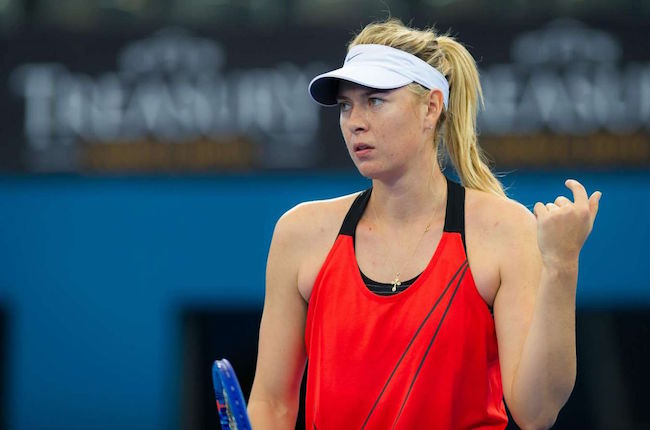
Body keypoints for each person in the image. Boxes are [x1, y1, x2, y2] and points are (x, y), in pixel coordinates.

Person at [247, 18, 600, 429]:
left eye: (375, 100)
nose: (354, 120)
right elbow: (271, 405)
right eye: (346, 105)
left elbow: (536, 412)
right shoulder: (300, 233)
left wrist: (561, 267)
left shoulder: (506, 231)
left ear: (431, 108)